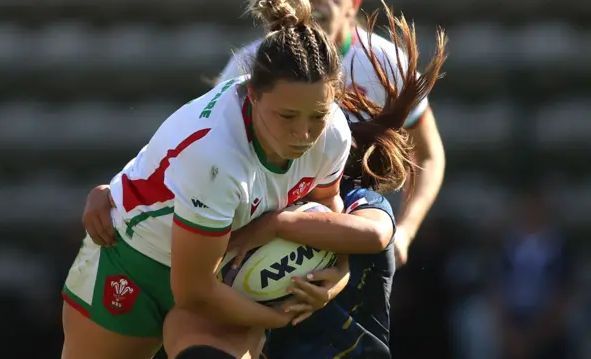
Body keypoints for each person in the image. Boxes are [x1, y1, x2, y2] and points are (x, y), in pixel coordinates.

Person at [79, 4, 447, 359]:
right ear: (253, 99)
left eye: (316, 116)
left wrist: (406, 231)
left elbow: (408, 184)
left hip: (314, 227)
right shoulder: (249, 78)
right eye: (286, 116)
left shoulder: (376, 75)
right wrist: (122, 191)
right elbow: (192, 150)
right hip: (251, 237)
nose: (303, 135)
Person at [218, 0, 446, 268]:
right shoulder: (255, 64)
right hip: (266, 207)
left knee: (376, 234)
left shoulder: (386, 62)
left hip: (345, 212)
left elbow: (428, 154)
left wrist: (406, 230)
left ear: (353, 5)